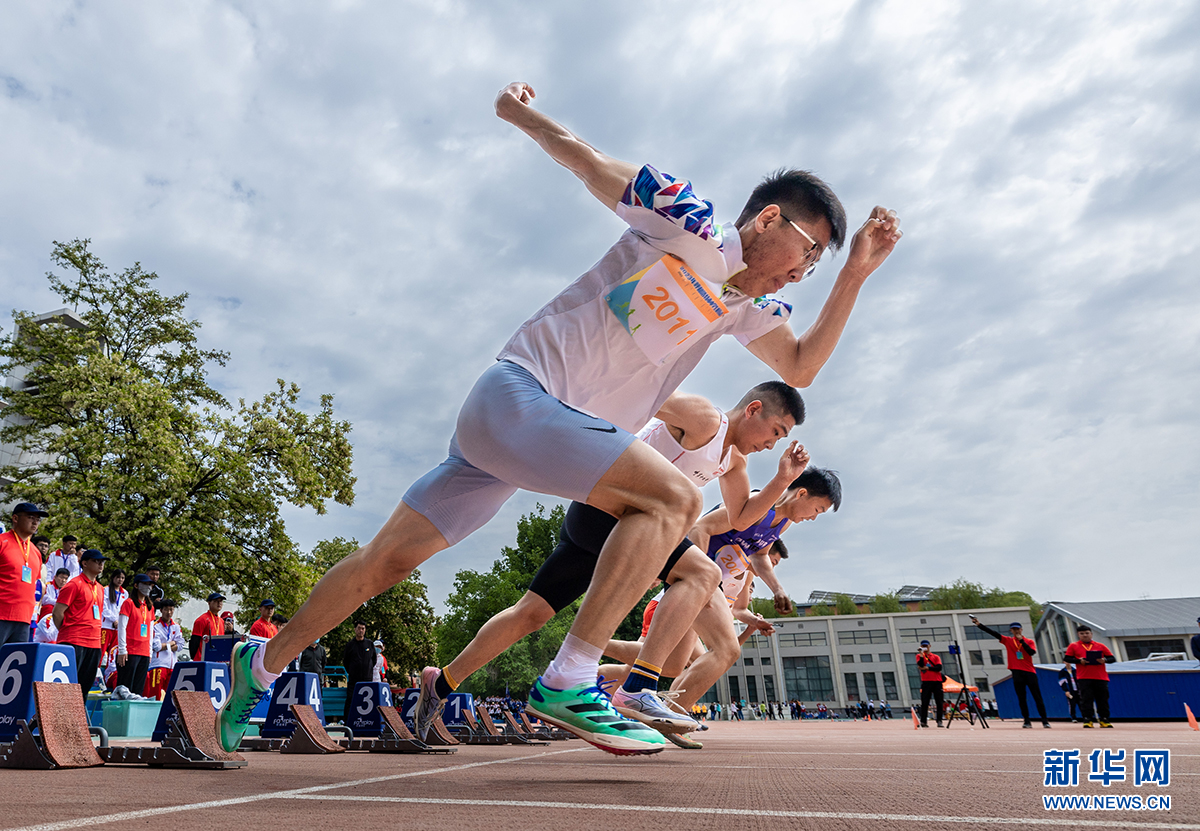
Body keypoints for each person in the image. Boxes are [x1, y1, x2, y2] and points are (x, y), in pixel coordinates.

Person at [215, 80, 902, 755]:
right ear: (771, 219)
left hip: (525, 439)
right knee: (670, 493)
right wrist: (519, 113)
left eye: (818, 268)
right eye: (812, 254)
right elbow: (584, 158)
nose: (803, 273)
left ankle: (263, 664)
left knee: (381, 564)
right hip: (517, 392)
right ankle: (570, 678)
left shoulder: (752, 308)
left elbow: (803, 364)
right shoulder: (686, 217)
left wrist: (853, 277)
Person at [415, 382, 808, 741]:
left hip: (622, 526)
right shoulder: (705, 419)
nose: (772, 445)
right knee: (703, 573)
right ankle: (639, 687)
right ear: (754, 409)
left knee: (530, 613)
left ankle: (442, 682)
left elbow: (740, 517)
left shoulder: (734, 462)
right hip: (608, 511)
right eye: (775, 432)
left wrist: (781, 481)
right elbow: (637, 394)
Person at [626, 467, 842, 747]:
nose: (813, 517)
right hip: (697, 577)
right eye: (817, 509)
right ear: (802, 493)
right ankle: (668, 714)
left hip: (703, 582)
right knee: (727, 649)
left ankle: (644, 697)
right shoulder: (758, 503)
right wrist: (699, 577)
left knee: (673, 664)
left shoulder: (782, 522)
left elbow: (760, 555)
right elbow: (700, 528)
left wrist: (778, 589)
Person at [968, 616, 1049, 728]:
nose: (1016, 631)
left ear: (1021, 629)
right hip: (1016, 671)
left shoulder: (1029, 641)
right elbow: (994, 633)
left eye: (1018, 629)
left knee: (1037, 697)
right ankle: (1026, 721)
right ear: (1011, 630)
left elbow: (1031, 653)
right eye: (1014, 629)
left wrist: (1021, 641)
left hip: (1029, 671)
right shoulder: (1008, 641)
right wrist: (979, 624)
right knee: (1021, 698)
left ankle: (1045, 721)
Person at [53, 549, 108, 702]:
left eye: (102, 561)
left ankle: (77, 721)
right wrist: (67, 632)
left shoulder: (100, 588)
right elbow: (57, 613)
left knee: (84, 688)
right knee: (67, 686)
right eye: (97, 561)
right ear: (84, 563)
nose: (101, 564)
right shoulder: (73, 584)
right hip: (74, 641)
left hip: (94, 643)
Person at [1, 503, 50, 646]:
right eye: (30, 517)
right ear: (15, 518)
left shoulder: (35, 552)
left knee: (14, 666)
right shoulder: (2, 542)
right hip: (2, 613)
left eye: (38, 519)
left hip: (24, 618)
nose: (35, 522)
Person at [1063, 624, 1116, 728]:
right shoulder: (1074, 646)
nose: (1085, 635)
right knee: (1086, 699)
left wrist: (1104, 660)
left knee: (1102, 699)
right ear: (1078, 635)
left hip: (1100, 677)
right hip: (1084, 677)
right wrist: (1079, 660)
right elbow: (1067, 658)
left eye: (1087, 633)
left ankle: (1104, 719)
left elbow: (1112, 658)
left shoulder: (1100, 645)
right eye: (1082, 634)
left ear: (1091, 634)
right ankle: (1088, 719)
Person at [116, 574, 156, 696]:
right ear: (136, 585)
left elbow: (150, 630)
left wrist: (149, 652)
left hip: (143, 652)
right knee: (125, 689)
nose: (148, 587)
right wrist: (122, 650)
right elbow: (122, 627)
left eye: (150, 585)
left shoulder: (150, 607)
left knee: (138, 690)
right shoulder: (128, 603)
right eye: (145, 584)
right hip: (130, 651)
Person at [147, 598, 186, 699]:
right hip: (158, 665)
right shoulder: (155, 626)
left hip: (172, 665)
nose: (169, 612)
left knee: (170, 696)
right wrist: (172, 643)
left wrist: (166, 645)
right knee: (156, 695)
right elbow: (156, 646)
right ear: (161, 610)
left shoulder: (176, 626)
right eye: (166, 610)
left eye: (171, 610)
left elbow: (181, 644)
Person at [342, 621, 376, 723]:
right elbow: (345, 661)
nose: (361, 631)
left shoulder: (369, 644)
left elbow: (373, 660)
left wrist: (368, 669)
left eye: (363, 629)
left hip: (367, 679)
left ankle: (368, 723)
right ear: (355, 629)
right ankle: (347, 723)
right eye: (359, 628)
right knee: (350, 700)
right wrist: (352, 671)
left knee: (368, 703)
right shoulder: (350, 645)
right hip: (354, 680)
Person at [915, 640, 944, 728]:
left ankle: (939, 720)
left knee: (939, 702)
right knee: (925, 702)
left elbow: (939, 668)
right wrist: (921, 654)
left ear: (929, 646)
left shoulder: (935, 656)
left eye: (926, 646)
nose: (925, 648)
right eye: (923, 646)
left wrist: (927, 668)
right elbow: (920, 664)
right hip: (926, 681)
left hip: (937, 681)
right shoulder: (919, 656)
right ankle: (923, 721)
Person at [189, 592, 226, 660]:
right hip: (202, 659)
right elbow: (194, 641)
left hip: (216, 659)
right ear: (209, 603)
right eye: (215, 601)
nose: (219, 603)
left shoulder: (221, 621)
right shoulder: (202, 620)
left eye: (220, 601)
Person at [100, 569, 128, 656]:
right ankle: (96, 668)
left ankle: (112, 670)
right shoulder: (105, 590)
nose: (120, 580)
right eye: (118, 577)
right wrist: (114, 620)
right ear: (113, 577)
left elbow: (124, 610)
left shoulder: (125, 593)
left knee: (114, 652)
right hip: (106, 626)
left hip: (118, 628)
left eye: (123, 578)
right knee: (101, 650)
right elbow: (103, 608)